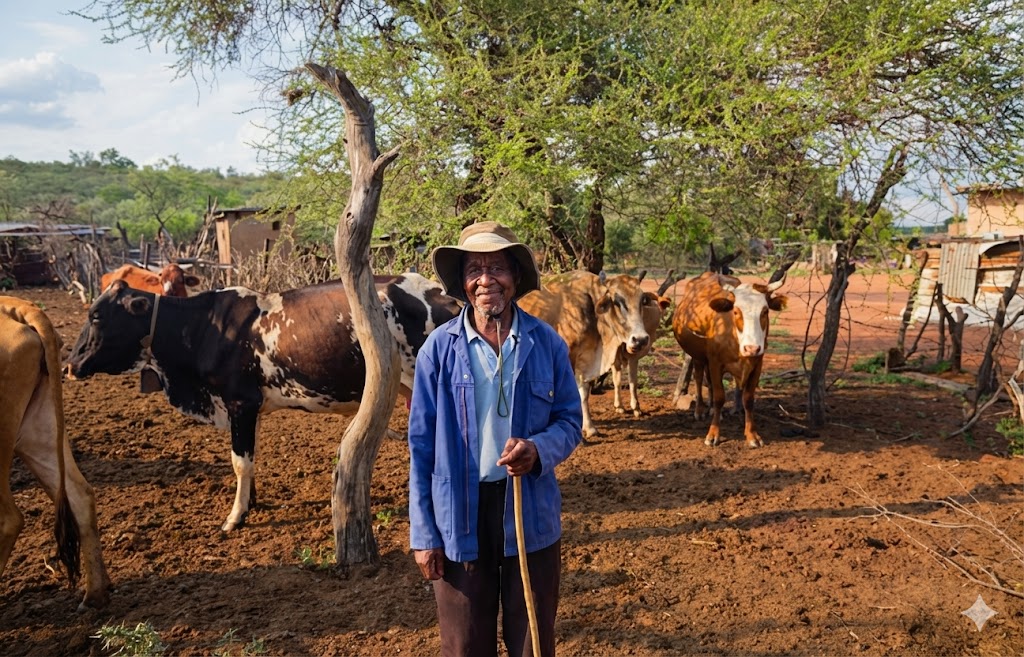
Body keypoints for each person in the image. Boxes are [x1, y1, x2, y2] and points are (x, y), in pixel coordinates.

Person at [408, 221, 583, 657]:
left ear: (516, 277)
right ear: (463, 283)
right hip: (459, 515)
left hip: (529, 510)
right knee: (465, 643)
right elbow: (422, 447)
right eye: (474, 270)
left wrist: (538, 449)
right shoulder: (438, 350)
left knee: (533, 641)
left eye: (498, 268)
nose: (486, 280)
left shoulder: (546, 344)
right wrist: (424, 533)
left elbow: (569, 421)